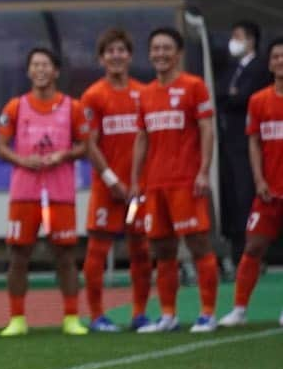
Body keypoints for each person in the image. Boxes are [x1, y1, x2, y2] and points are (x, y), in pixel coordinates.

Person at [130, 27, 219, 333]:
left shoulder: (194, 86)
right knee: (162, 250)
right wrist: (135, 180)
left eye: (166, 48)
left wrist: (203, 171)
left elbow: (207, 129)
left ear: (178, 53)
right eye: (155, 48)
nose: (160, 54)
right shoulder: (144, 93)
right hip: (155, 184)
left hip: (186, 181)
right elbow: (142, 137)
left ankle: (207, 313)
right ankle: (168, 314)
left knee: (198, 245)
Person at [0, 47, 90, 337]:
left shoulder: (72, 107)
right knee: (18, 254)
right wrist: (23, 160)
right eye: (35, 65)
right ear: (28, 71)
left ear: (56, 71)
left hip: (60, 191)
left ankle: (71, 317)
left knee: (65, 255)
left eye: (45, 65)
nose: (40, 70)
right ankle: (17, 319)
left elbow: (86, 145)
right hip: (24, 192)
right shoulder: (15, 107)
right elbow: (0, 147)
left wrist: (63, 156)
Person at [80, 28, 153, 332]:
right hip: (107, 189)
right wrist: (112, 180)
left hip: (138, 188)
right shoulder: (93, 95)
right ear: (101, 58)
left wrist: (138, 180)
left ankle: (139, 314)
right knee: (97, 250)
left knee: (141, 249)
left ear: (130, 56)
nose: (116, 56)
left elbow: (148, 138)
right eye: (110, 51)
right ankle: (97, 316)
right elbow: (89, 143)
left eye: (121, 50)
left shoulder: (144, 93)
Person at [220, 37, 283, 327]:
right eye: (276, 57)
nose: (280, 61)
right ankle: (240, 309)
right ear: (269, 63)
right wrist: (259, 179)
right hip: (268, 190)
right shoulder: (259, 101)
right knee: (253, 246)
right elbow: (254, 143)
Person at [216, 21, 271, 267]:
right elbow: (221, 95)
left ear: (250, 40)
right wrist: (231, 95)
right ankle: (241, 252)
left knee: (249, 194)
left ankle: (257, 254)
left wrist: (233, 96)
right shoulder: (231, 69)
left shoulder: (260, 69)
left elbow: (243, 99)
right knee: (236, 196)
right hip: (230, 142)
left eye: (237, 36)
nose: (233, 41)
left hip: (251, 142)